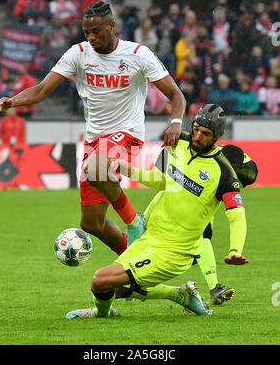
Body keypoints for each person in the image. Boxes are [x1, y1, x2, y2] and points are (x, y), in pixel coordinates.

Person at [0, 1, 186, 257]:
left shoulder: (138, 54)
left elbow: (175, 94)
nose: (92, 37)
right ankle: (134, 265)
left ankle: (134, 221)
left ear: (112, 26)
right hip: (95, 140)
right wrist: (13, 100)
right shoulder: (79, 53)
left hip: (127, 134)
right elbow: (41, 90)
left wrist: (175, 123)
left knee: (95, 167)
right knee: (91, 223)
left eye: (97, 31)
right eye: (87, 32)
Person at [65, 104, 249, 319]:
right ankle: (177, 296)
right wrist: (124, 167)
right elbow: (161, 181)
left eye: (205, 134)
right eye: (196, 128)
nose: (197, 136)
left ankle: (110, 311)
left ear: (219, 135)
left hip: (175, 252)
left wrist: (235, 250)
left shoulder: (223, 172)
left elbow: (236, 215)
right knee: (111, 288)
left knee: (100, 279)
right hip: (149, 238)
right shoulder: (178, 141)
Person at [196, 144, 258, 305]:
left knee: (203, 235)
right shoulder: (206, 154)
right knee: (202, 235)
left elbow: (236, 211)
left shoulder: (248, 172)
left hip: (212, 191)